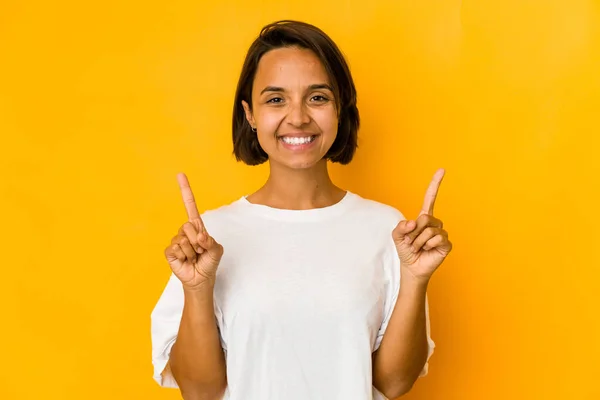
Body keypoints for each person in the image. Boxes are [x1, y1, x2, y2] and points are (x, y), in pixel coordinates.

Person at [151, 20, 452, 400]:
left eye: (317, 97)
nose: (297, 117)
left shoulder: (388, 230)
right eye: (276, 99)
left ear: (339, 108)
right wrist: (197, 288)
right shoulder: (209, 238)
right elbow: (200, 391)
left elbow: (391, 383)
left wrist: (415, 278)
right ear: (250, 114)